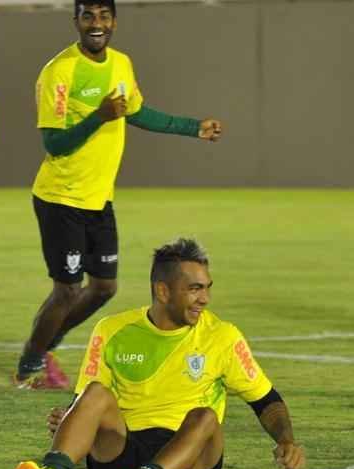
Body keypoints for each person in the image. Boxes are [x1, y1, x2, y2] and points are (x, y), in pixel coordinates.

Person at [14, 0, 224, 389]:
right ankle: (29, 364)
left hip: (98, 198)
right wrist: (99, 116)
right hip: (61, 197)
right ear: (76, 21)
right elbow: (54, 143)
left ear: (114, 20)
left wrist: (193, 127)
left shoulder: (121, 64)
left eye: (104, 16)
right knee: (67, 290)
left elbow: (140, 113)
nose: (97, 24)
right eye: (88, 16)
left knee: (104, 288)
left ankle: (47, 344)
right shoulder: (59, 71)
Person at [13, 238, 305, 469]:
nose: (205, 298)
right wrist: (71, 418)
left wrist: (286, 440)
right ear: (163, 291)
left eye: (206, 287)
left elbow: (266, 399)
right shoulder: (112, 330)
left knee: (205, 417)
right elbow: (85, 402)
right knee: (95, 393)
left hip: (190, 464)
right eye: (194, 289)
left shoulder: (223, 336)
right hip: (122, 453)